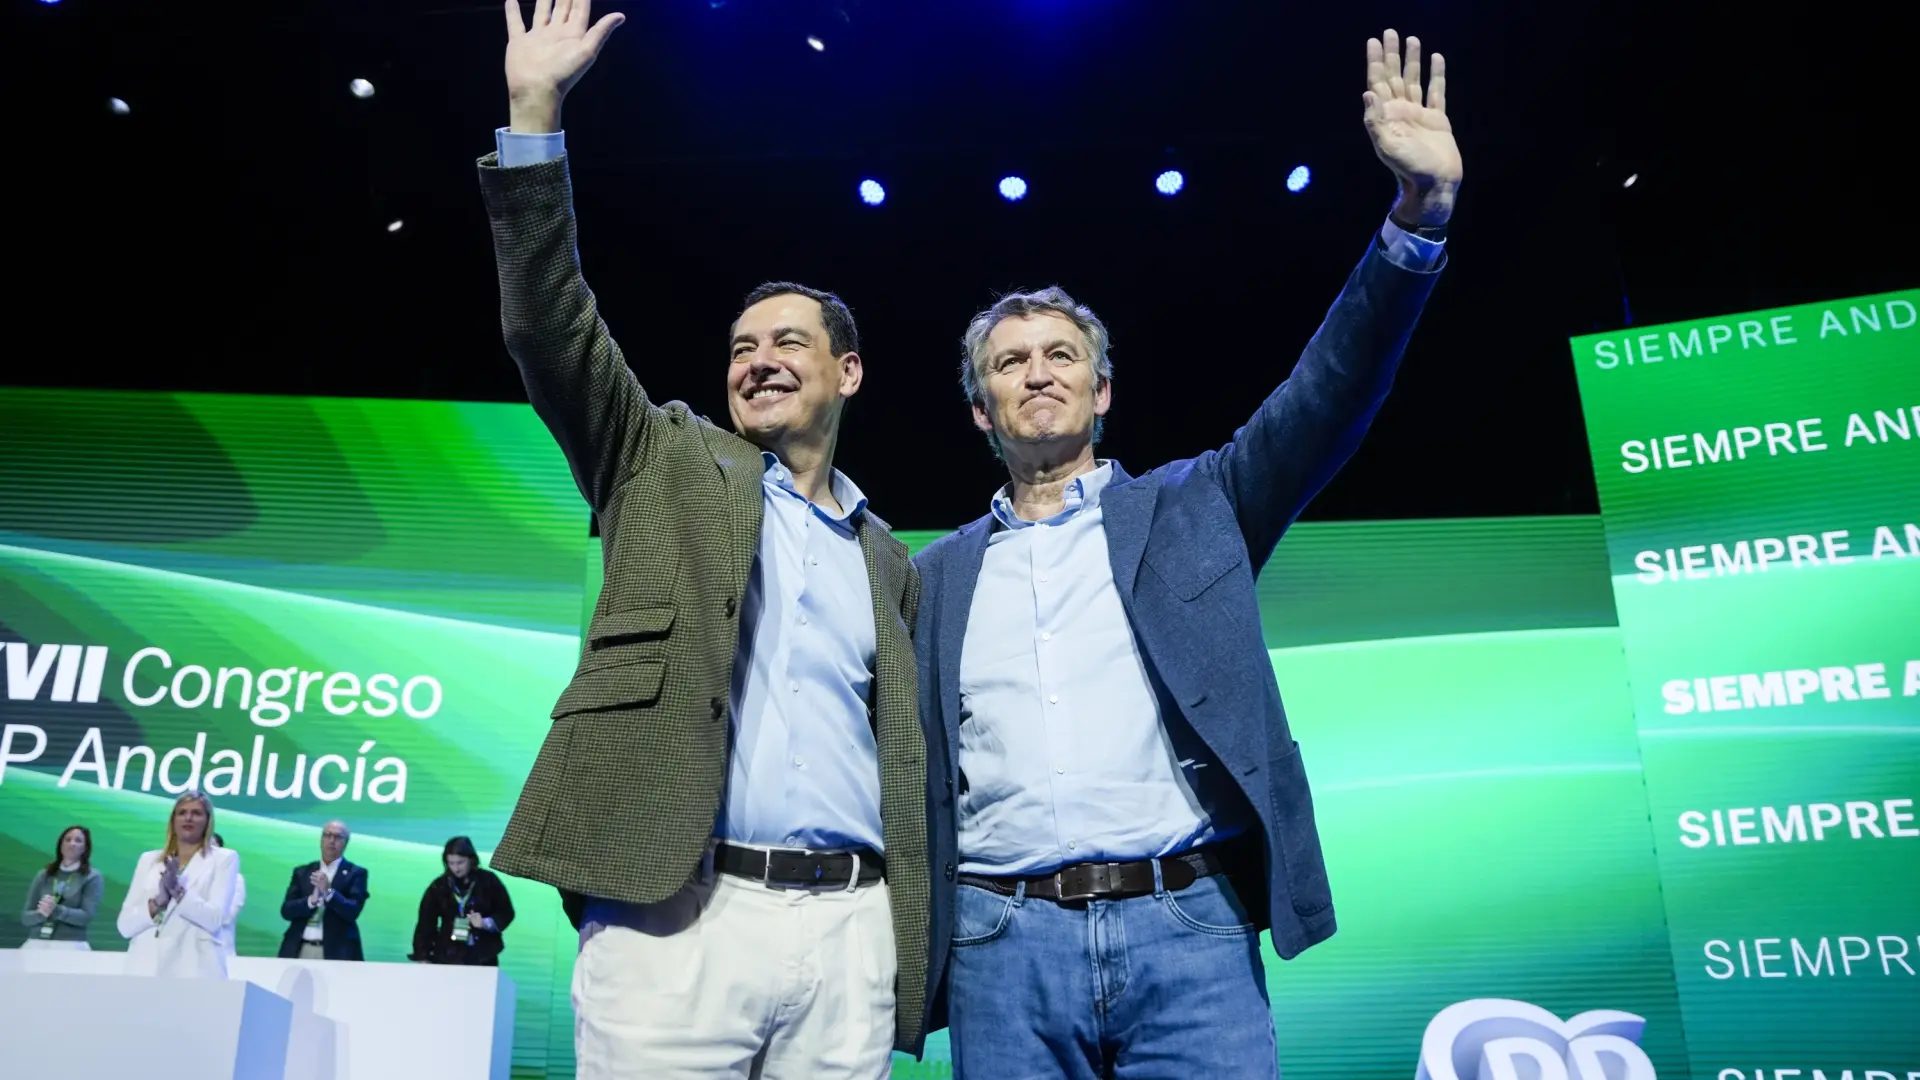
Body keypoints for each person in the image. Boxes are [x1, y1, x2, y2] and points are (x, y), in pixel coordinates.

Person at [912, 29, 1462, 1077]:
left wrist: (1416, 221)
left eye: (1061, 356)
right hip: (1001, 946)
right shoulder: (934, 576)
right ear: (980, 408)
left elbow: (1329, 392)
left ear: (1102, 390)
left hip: (1189, 930)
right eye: (1011, 364)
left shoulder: (1198, 504)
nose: (1038, 375)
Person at [478, 1, 929, 1073]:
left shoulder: (890, 558)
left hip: (850, 931)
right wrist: (534, 109)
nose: (759, 358)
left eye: (788, 342)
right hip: (677, 917)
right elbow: (549, 322)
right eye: (741, 345)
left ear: (847, 372)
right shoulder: (661, 456)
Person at [116, 791, 242, 978]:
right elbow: (125, 926)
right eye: (182, 812)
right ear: (173, 820)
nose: (188, 817)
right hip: (145, 967)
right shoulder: (149, 860)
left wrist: (177, 891)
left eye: (196, 813)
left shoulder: (224, 859)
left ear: (208, 821)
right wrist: (159, 901)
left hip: (194, 967)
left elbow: (215, 919)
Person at [410, 836, 516, 966]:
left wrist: (485, 923)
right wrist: (423, 955)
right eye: (451, 863)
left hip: (483, 955)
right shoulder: (439, 886)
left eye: (460, 862)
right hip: (447, 954)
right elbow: (425, 923)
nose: (456, 868)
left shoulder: (488, 881)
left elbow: (506, 912)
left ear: (471, 860)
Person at [277, 819, 368, 961]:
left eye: (338, 837)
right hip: (298, 949)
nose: (332, 840)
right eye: (327, 835)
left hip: (336, 953)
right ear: (321, 840)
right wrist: (310, 901)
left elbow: (352, 911)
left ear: (346, 842)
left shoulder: (355, 873)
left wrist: (329, 892)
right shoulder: (303, 872)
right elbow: (286, 911)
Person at [19, 825, 104, 950]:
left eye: (78, 840)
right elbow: (25, 917)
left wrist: (57, 910)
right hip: (36, 942)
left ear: (85, 848)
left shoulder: (92, 877)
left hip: (71, 945)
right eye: (67, 839)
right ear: (60, 845)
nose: (72, 844)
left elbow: (86, 916)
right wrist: (41, 914)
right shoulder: (44, 874)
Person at [212, 832, 247, 957]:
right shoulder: (191, 876)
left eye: (214, 847)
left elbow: (226, 917)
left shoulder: (236, 880)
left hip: (222, 948)